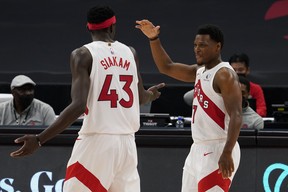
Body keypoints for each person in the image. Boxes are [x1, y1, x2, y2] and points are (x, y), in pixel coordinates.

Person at [10, 6, 165, 192]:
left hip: (97, 142)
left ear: (88, 28)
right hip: (127, 145)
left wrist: (40, 139)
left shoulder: (82, 55)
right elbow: (140, 97)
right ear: (112, 26)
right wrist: (151, 94)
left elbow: (78, 106)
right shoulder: (130, 52)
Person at [136, 20, 242, 191]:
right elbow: (166, 67)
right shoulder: (199, 71)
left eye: (203, 45)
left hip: (219, 146)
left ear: (217, 47)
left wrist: (227, 151)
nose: (197, 49)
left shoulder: (224, 74)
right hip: (197, 148)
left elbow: (237, 115)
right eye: (195, 45)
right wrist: (153, 39)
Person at [229, 53, 267, 117]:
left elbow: (262, 110)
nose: (237, 73)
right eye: (234, 70)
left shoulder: (256, 88)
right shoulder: (223, 87)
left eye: (240, 70)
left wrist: (246, 115)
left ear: (247, 70)